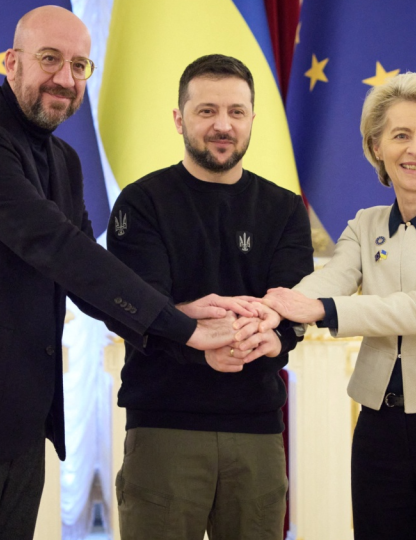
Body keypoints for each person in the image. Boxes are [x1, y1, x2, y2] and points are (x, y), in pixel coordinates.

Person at [0, 8, 253, 540]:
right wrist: (183, 328)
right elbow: (57, 248)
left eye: (80, 66)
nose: (65, 78)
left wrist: (177, 314)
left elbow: (85, 274)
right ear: (12, 62)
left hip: (20, 426)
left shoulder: (64, 160)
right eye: (50, 59)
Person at [263, 72, 416, 540]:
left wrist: (319, 309)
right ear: (376, 147)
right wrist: (276, 308)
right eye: (400, 135)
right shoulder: (365, 224)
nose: (415, 149)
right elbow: (332, 279)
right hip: (380, 429)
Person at [107, 54, 314, 540]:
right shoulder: (141, 203)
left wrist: (267, 336)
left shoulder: (285, 209)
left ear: (252, 120)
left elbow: (291, 309)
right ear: (179, 119)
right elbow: (131, 307)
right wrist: (196, 332)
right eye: (206, 111)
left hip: (259, 430)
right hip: (163, 427)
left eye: (236, 112)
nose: (223, 125)